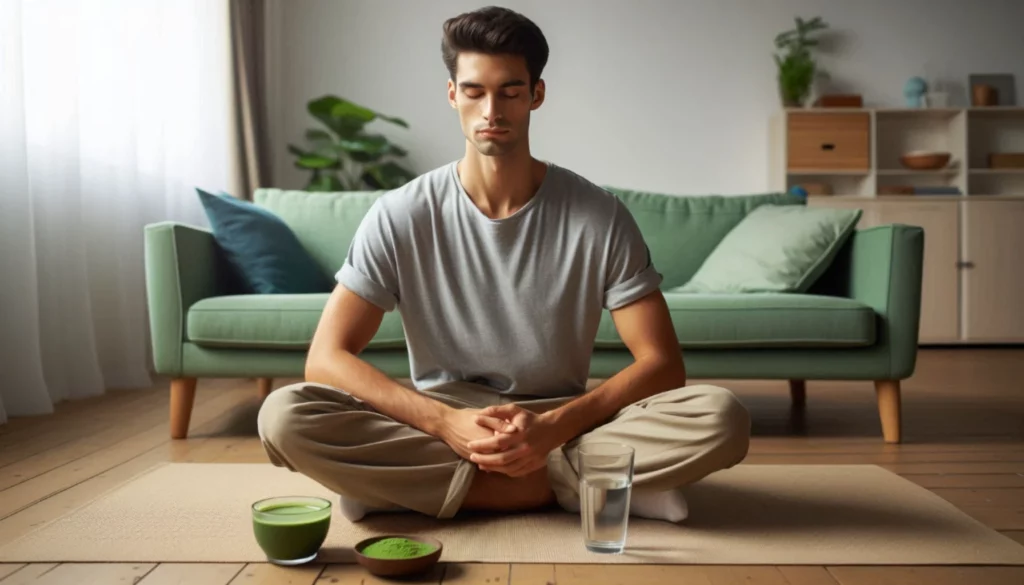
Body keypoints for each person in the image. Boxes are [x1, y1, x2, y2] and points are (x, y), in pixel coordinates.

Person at [257, 5, 750, 524]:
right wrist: (446, 423)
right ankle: (592, 485)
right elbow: (326, 358)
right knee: (284, 415)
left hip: (562, 422)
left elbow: (663, 364)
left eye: (510, 92)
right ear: (453, 94)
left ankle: (402, 489)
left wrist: (554, 429)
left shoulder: (599, 215)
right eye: (474, 92)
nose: (491, 110)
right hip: (440, 424)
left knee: (720, 416)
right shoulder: (401, 213)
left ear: (536, 94)